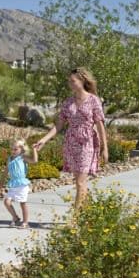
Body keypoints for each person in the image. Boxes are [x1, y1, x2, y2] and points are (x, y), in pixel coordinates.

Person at [33, 67, 108, 212]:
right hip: (71, 143)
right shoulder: (68, 102)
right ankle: (85, 214)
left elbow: (100, 126)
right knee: (80, 182)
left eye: (73, 81)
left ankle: (76, 217)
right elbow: (59, 125)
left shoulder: (94, 100)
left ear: (82, 80)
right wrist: (44, 139)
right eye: (69, 81)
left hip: (87, 143)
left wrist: (105, 148)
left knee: (80, 182)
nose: (70, 84)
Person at [4, 138, 37, 229]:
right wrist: (1, 181)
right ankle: (15, 217)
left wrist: (34, 149)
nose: (13, 151)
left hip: (22, 185)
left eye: (16, 149)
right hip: (13, 184)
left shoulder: (23, 157)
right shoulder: (10, 159)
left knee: (22, 203)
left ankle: (25, 222)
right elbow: (6, 170)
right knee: (7, 202)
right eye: (12, 149)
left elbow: (34, 161)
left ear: (22, 149)